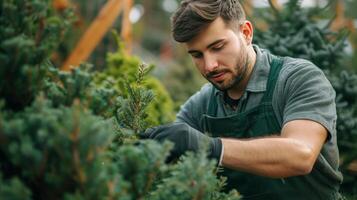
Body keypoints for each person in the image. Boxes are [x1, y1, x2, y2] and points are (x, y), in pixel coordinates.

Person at [141, 0, 343, 199]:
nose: (209, 65)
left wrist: (211, 147)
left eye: (217, 47)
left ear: (246, 33)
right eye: (197, 55)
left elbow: (301, 156)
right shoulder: (201, 106)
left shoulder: (298, 79)